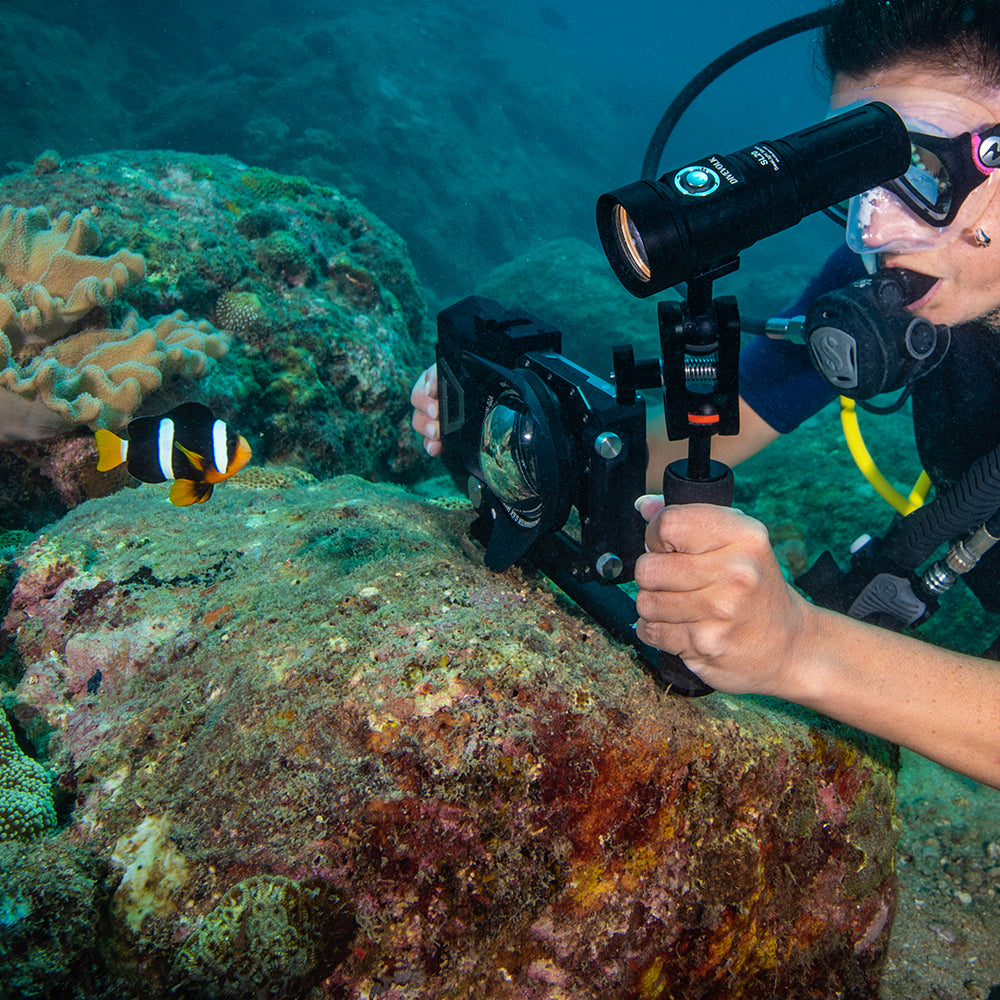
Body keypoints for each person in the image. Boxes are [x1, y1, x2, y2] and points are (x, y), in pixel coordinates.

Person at [411, 0, 1000, 790]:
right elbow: (722, 430)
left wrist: (799, 648)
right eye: (852, 169)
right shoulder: (891, 282)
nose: (871, 225)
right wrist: (531, 428)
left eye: (918, 171)